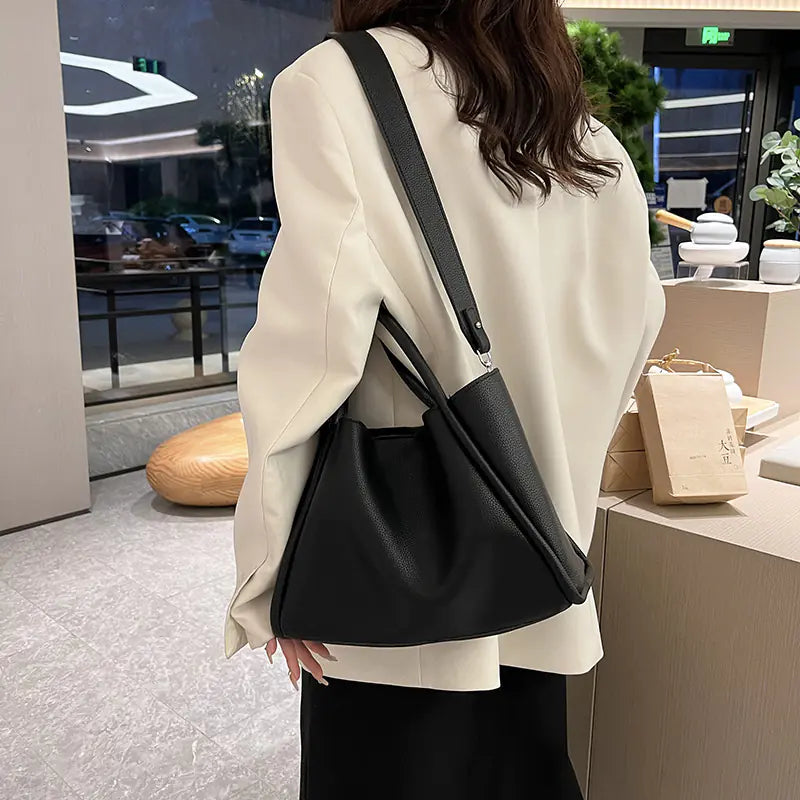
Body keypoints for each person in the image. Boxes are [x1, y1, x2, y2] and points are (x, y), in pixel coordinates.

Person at [225, 1, 665, 797]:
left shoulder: (338, 82)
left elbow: (310, 354)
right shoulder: (583, 137)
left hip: (400, 573)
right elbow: (637, 325)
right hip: (542, 557)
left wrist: (268, 576)